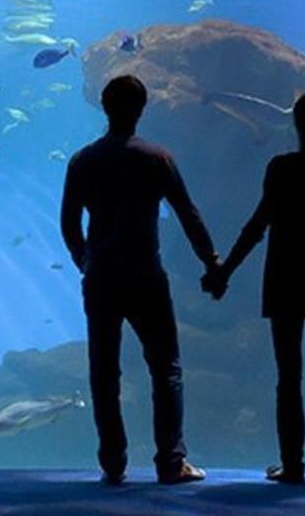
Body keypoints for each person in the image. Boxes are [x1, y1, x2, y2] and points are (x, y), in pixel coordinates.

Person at [61, 75, 218, 485]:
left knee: (104, 370)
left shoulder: (83, 161)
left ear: (104, 106)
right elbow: (189, 214)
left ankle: (113, 461)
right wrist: (211, 260)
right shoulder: (157, 158)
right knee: (166, 368)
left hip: (101, 278)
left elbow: (68, 222)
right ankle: (171, 461)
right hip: (146, 275)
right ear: (142, 108)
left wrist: (84, 259)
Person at [203, 91, 305, 485]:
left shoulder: (282, 168)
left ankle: (292, 464)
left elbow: (258, 225)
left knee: (288, 377)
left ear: (297, 125)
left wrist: (225, 270)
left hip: (287, 281)